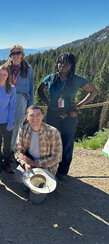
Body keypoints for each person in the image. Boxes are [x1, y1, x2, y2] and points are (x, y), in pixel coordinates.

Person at [37, 52, 98, 180]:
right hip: (52, 113)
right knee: (49, 140)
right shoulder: (51, 78)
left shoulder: (77, 79)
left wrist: (79, 105)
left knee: (67, 142)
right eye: (60, 62)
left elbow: (93, 91)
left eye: (66, 63)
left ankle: (62, 171)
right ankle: (48, 166)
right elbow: (40, 89)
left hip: (69, 114)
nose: (62, 65)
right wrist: (47, 102)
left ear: (71, 65)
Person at [14, 105, 62, 204]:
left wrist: (35, 163)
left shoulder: (53, 132)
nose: (35, 118)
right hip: (29, 164)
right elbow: (18, 151)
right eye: (31, 115)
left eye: (38, 115)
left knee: (35, 200)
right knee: (17, 176)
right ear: (27, 117)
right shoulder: (23, 129)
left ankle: (45, 182)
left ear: (42, 116)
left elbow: (57, 157)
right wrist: (25, 164)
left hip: (46, 167)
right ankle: (30, 185)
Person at [4, 45, 34, 152]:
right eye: (13, 53)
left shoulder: (28, 69)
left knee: (17, 123)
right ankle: (6, 146)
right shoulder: (6, 68)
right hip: (7, 98)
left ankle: (11, 149)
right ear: (10, 55)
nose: (15, 55)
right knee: (6, 122)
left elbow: (31, 88)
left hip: (21, 97)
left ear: (22, 55)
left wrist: (31, 107)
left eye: (18, 53)